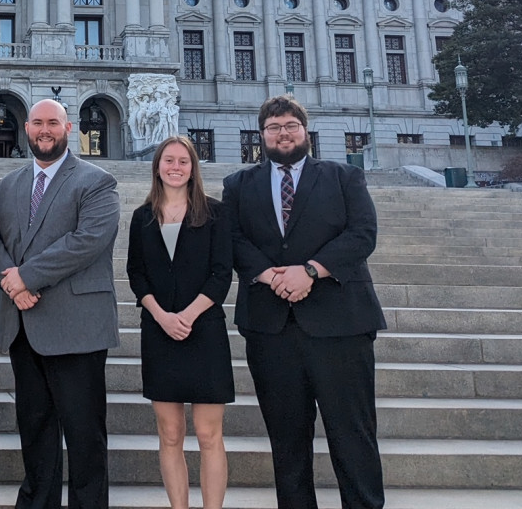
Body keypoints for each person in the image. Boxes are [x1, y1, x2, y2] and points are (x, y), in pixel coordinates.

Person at [222, 95, 386, 509]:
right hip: (271, 329)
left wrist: (310, 270)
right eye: (274, 127)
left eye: (290, 125)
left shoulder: (343, 177)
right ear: (262, 135)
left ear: (305, 130)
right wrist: (268, 275)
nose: (283, 133)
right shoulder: (238, 185)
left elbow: (362, 234)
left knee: (353, 434)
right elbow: (233, 239)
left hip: (340, 326)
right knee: (287, 441)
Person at [0, 99, 120, 509]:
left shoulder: (98, 181)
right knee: (35, 428)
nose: (45, 130)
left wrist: (26, 276)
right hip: (23, 324)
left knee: (84, 434)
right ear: (26, 128)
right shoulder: (8, 184)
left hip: (77, 326)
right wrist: (12, 282)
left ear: (69, 127)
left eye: (54, 123)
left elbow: (87, 242)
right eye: (38, 123)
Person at [125, 135, 234, 509]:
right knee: (170, 433)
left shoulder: (216, 213)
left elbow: (222, 274)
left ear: (193, 168)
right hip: (159, 332)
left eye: (183, 161)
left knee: (208, 434)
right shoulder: (142, 217)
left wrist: (186, 315)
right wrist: (161, 316)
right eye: (168, 160)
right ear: (157, 166)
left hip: (204, 330)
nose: (175, 167)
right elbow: (136, 275)